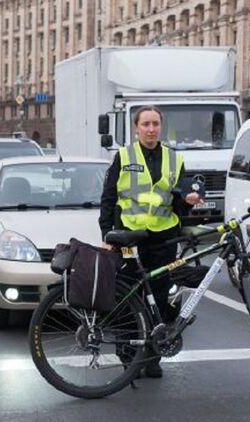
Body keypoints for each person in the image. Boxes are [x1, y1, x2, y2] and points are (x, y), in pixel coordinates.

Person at [99, 105, 203, 379]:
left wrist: (188, 201)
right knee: (128, 298)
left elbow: (178, 201)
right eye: (145, 124)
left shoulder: (174, 158)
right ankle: (128, 358)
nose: (151, 129)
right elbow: (108, 198)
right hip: (129, 237)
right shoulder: (123, 156)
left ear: (161, 127)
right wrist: (107, 235)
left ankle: (154, 356)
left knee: (163, 297)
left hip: (163, 238)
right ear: (136, 128)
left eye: (155, 124)